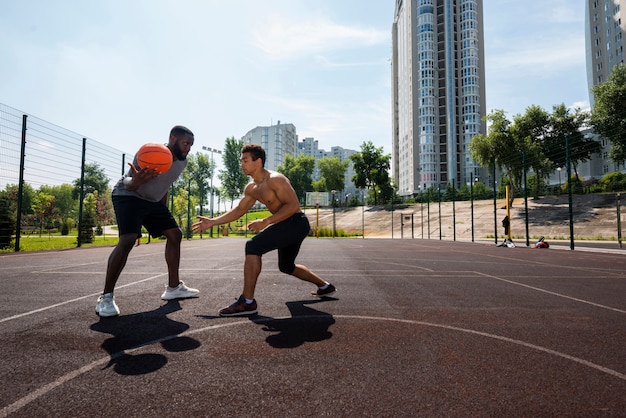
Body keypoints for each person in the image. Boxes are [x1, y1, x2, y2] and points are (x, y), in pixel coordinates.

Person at [192, 143, 335, 317]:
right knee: (286, 266)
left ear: (258, 161)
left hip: (296, 222)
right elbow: (239, 210)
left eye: (245, 160)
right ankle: (325, 286)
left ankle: (247, 301)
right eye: (241, 161)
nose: (241, 164)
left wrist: (266, 221)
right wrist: (212, 222)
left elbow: (293, 205)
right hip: (285, 224)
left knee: (253, 246)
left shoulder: (276, 179)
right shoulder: (251, 188)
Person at [95, 125, 200, 317]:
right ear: (173, 138)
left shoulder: (181, 163)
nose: (188, 149)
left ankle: (173, 288)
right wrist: (134, 182)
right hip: (128, 195)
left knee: (175, 234)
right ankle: (106, 298)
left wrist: (163, 213)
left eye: (191, 145)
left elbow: (164, 185)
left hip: (152, 202)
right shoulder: (150, 153)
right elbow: (128, 182)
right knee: (128, 239)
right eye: (186, 143)